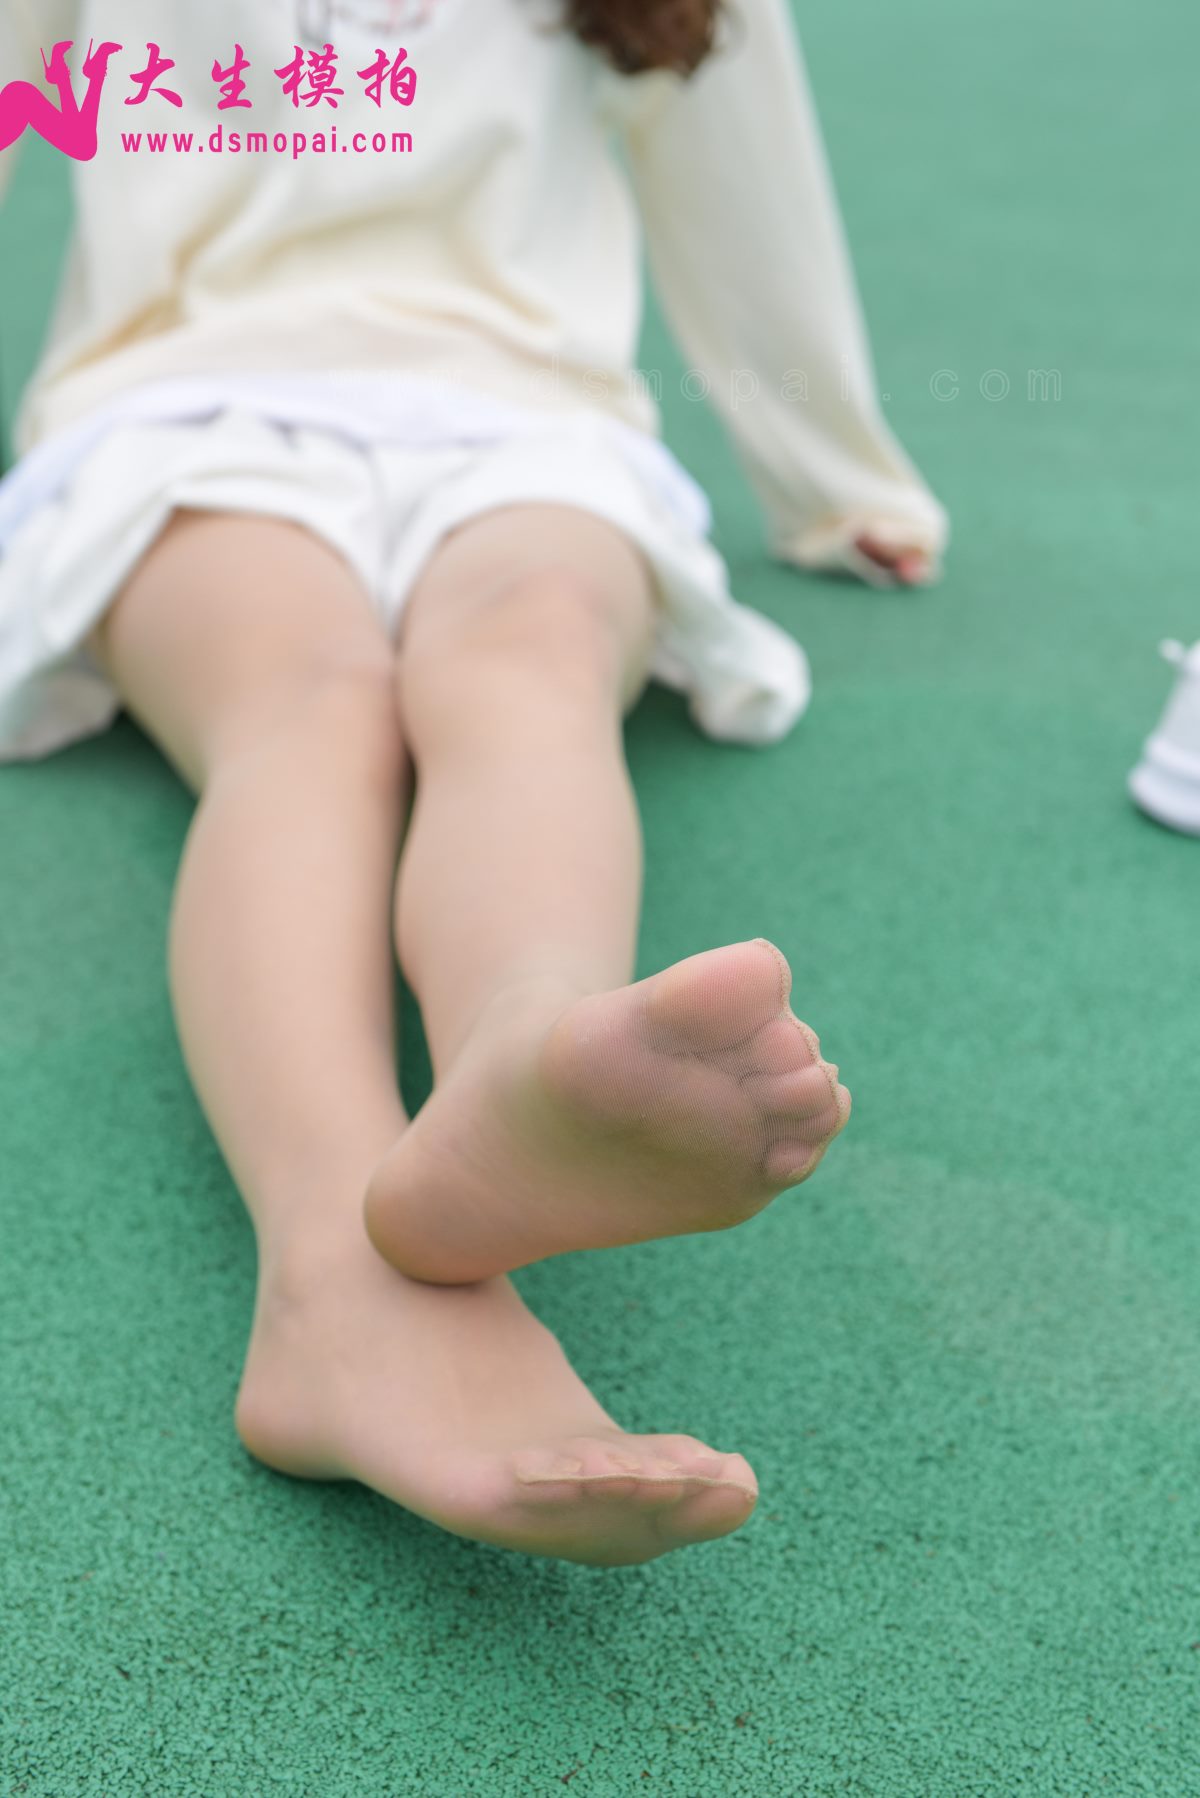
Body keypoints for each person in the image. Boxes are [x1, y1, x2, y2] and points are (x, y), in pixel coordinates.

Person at [0, 0, 947, 1567]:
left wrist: (836, 476)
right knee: (309, 699)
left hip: (530, 419)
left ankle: (532, 1058)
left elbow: (743, 178)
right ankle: (332, 1273)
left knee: (529, 655)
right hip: (185, 408)